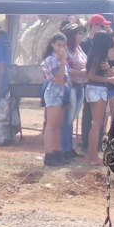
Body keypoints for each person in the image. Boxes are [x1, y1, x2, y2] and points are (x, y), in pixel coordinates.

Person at [83, 32, 114, 164]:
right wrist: (109, 79)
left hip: (95, 89)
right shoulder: (98, 55)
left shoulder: (97, 55)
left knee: (97, 124)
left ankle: (92, 155)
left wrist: (109, 70)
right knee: (97, 124)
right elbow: (90, 75)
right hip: (96, 89)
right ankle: (92, 157)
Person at [58, 23, 87, 159]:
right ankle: (65, 148)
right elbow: (66, 69)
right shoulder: (66, 50)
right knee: (67, 120)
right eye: (79, 33)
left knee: (72, 118)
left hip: (80, 85)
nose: (81, 36)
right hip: (71, 85)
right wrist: (81, 72)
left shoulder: (78, 48)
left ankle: (69, 147)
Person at [41, 33, 69, 166]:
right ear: (52, 45)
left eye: (63, 45)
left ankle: (57, 151)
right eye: (58, 45)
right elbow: (58, 77)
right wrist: (63, 61)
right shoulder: (51, 60)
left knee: (58, 124)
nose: (61, 48)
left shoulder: (59, 58)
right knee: (51, 125)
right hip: (54, 91)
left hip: (62, 91)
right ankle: (48, 154)